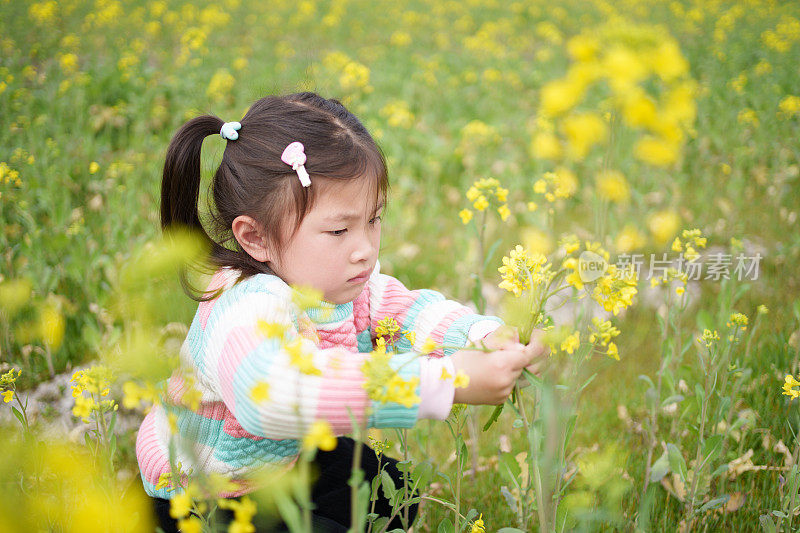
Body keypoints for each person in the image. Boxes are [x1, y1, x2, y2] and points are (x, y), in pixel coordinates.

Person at [136, 92, 546, 532]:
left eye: (373, 219)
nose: (365, 249)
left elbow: (408, 313)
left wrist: (483, 336)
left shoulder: (337, 286)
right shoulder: (244, 304)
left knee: (391, 489)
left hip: (275, 461)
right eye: (338, 230)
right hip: (200, 498)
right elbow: (271, 397)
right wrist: (444, 382)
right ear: (254, 238)